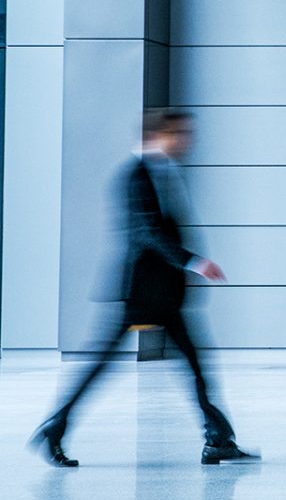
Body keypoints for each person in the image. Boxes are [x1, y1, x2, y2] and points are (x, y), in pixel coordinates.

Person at [29, 109, 256, 467]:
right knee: (103, 364)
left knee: (196, 365)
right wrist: (194, 262)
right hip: (141, 293)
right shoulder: (135, 175)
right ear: (160, 134)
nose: (186, 141)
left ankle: (218, 439)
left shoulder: (162, 170)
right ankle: (55, 426)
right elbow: (149, 234)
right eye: (180, 134)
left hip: (163, 294)